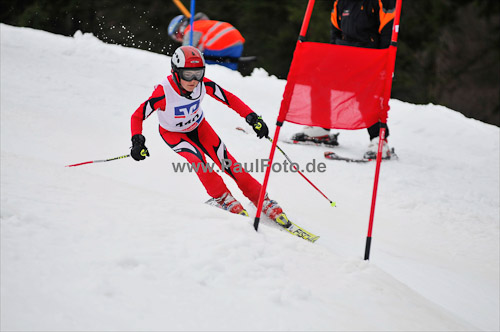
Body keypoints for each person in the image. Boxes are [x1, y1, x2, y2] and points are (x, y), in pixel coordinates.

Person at [129, 45, 290, 227]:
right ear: (175, 72)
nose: (194, 80)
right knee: (199, 162)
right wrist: (137, 141)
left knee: (228, 162)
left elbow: (229, 98)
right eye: (188, 74)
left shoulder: (202, 85)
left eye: (198, 73)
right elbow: (137, 116)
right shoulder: (164, 92)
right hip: (173, 134)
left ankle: (261, 199)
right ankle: (222, 198)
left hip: (200, 128)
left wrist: (252, 117)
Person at [291, 0, 396, 159]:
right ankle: (322, 128)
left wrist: (384, 62)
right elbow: (335, 29)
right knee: (320, 78)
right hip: (343, 52)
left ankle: (379, 139)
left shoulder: (379, 2)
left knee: (365, 95)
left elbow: (388, 31)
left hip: (369, 55)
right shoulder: (340, 2)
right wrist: (333, 53)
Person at [168, 13, 245, 70]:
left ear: (181, 27)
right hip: (237, 43)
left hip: (222, 43)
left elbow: (187, 51)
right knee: (229, 70)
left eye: (177, 36)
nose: (179, 39)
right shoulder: (202, 24)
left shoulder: (191, 28)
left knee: (196, 58)